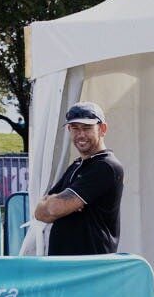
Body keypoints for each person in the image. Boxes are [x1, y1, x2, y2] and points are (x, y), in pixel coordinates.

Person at [30, 102, 124, 256]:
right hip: (65, 265)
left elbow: (54, 208)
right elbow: (40, 213)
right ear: (69, 130)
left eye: (87, 128)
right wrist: (61, 202)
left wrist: (57, 203)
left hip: (89, 266)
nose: (81, 135)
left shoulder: (106, 166)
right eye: (75, 128)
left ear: (102, 129)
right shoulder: (76, 165)